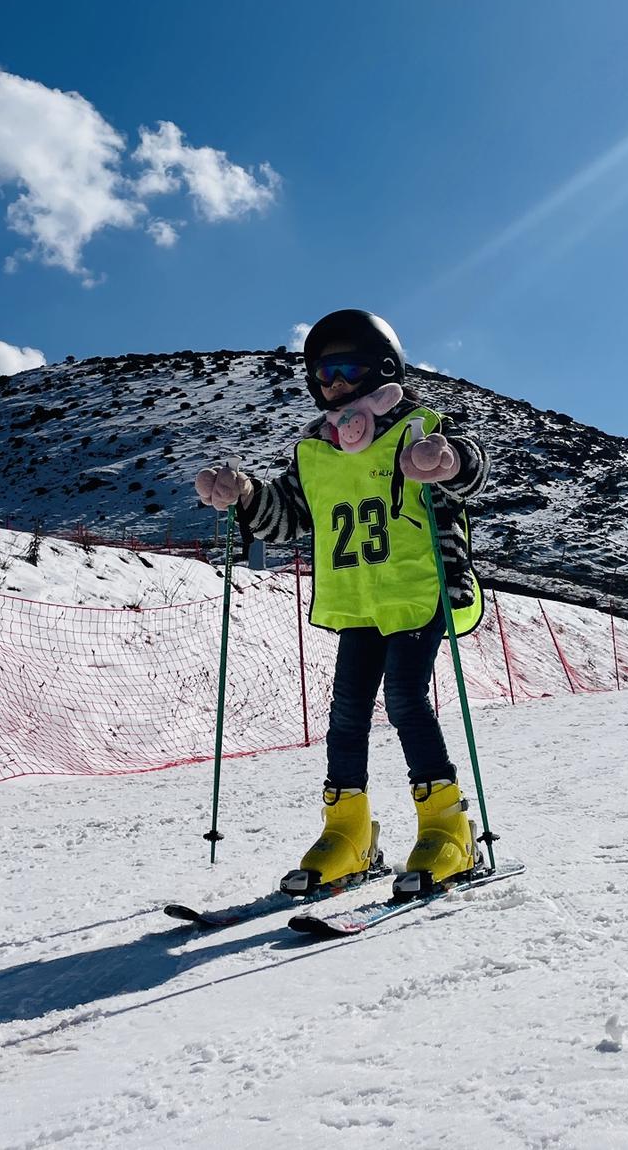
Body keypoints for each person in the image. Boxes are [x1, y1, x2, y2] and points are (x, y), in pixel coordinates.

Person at [194, 309, 490, 896]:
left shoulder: (416, 427)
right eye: (322, 372)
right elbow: (285, 517)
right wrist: (245, 495)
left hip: (417, 593)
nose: (333, 383)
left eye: (347, 368)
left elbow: (470, 470)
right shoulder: (316, 450)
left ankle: (447, 827)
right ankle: (348, 833)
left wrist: (446, 461)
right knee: (347, 712)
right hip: (357, 601)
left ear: (382, 369)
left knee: (406, 700)